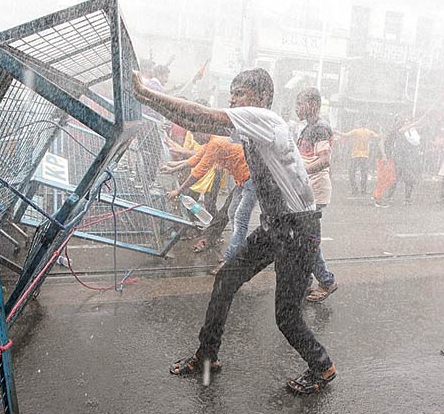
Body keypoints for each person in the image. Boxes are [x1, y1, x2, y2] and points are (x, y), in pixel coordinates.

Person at [132, 68, 336, 394]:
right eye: (232, 93)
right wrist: (147, 102)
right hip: (275, 227)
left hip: (299, 229)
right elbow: (202, 128)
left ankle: (321, 366)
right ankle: (207, 355)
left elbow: (200, 115)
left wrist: (147, 94)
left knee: (286, 317)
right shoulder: (252, 126)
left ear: (262, 97)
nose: (233, 99)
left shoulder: (265, 120)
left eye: (239, 92)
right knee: (226, 278)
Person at [161, 135, 256, 274]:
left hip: (251, 180)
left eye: (196, 133)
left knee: (240, 220)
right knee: (231, 213)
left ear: (205, 131)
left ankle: (230, 260)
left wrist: (179, 190)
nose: (194, 137)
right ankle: (235, 253)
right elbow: (194, 160)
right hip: (242, 181)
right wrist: (173, 167)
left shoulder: (216, 143)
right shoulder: (210, 143)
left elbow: (199, 170)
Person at [295, 87, 338, 303]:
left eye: (300, 103)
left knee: (309, 241)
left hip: (315, 192)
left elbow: (324, 160)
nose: (296, 108)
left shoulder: (320, 129)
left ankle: (326, 281)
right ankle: (305, 283)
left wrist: (300, 173)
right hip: (306, 191)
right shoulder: (307, 128)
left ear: (313, 105)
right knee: (304, 240)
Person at [384, 116, 423, 205]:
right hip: (399, 157)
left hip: (410, 158)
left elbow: (417, 142)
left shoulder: (413, 132)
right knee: (395, 178)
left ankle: (407, 199)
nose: (407, 123)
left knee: (409, 179)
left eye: (408, 121)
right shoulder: (399, 131)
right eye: (405, 121)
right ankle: (389, 196)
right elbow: (400, 131)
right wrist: (413, 124)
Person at [339, 120, 379, 195]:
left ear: (359, 124)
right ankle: (363, 190)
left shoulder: (356, 131)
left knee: (351, 172)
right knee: (364, 173)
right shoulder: (369, 132)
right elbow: (377, 136)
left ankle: (355, 189)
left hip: (355, 155)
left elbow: (345, 135)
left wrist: (336, 132)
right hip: (365, 155)